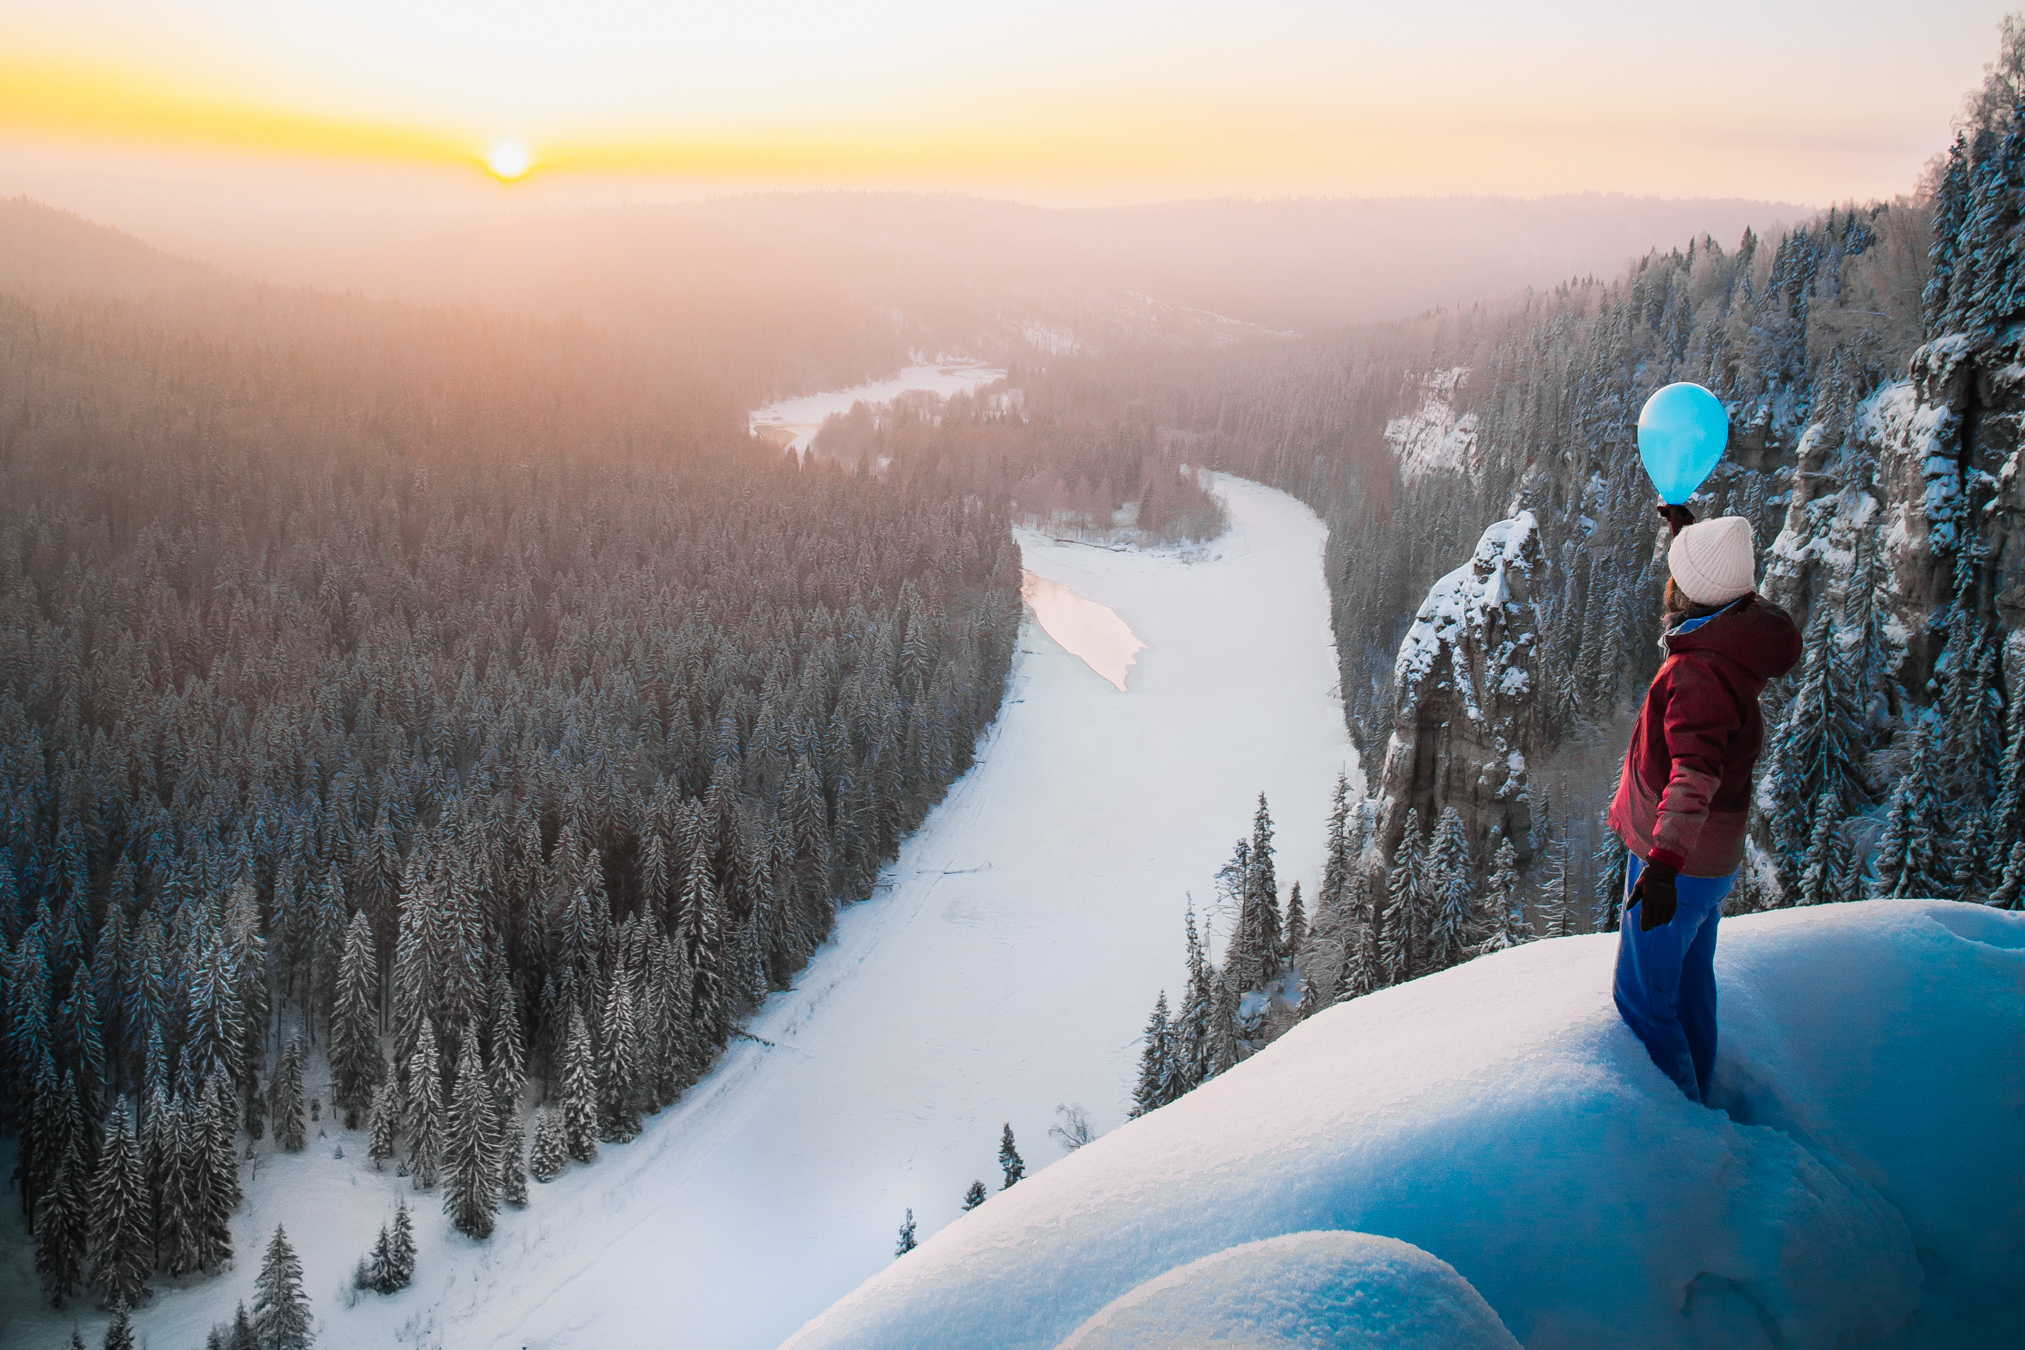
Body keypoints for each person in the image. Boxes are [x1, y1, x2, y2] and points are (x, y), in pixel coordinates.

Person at [1606, 507, 1800, 1103]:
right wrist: (1690, 540)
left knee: (1640, 996)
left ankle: (1679, 1124)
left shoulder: (1699, 672)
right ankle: (1702, 1088)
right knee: (1689, 983)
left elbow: (1693, 773)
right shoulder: (1739, 626)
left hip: (1678, 864)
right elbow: (1725, 589)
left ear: (1693, 593)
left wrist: (1662, 865)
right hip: (1710, 860)